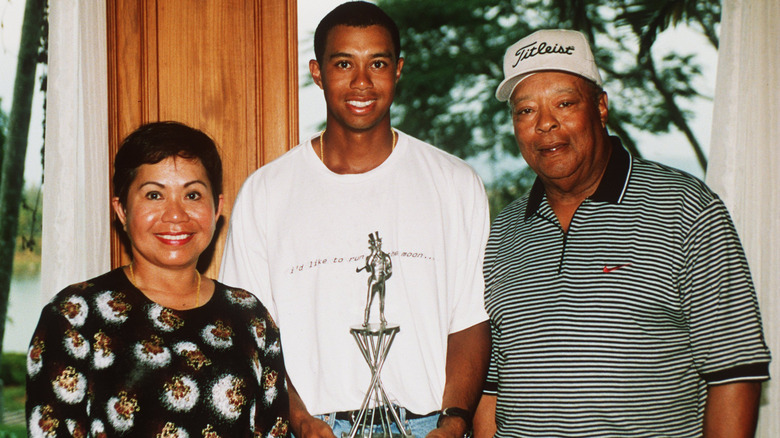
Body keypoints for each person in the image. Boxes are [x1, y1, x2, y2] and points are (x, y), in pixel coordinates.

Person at [474, 29, 772, 437]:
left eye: (564, 103)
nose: (545, 124)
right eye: (525, 110)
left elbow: (734, 371)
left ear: (600, 108)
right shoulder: (503, 231)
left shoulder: (686, 208)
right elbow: (491, 389)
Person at [219, 2, 490, 438]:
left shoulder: (454, 182)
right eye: (344, 63)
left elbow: (470, 320)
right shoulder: (267, 191)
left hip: (426, 426)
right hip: (312, 429)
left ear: (398, 70)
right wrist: (301, 420)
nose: (361, 82)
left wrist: (454, 420)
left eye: (377, 63)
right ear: (317, 72)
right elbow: (249, 333)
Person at [26, 121, 289, 437]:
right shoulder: (75, 315)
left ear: (217, 208)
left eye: (192, 194)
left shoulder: (250, 316)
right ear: (122, 210)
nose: (176, 215)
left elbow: (274, 428)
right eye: (154, 195)